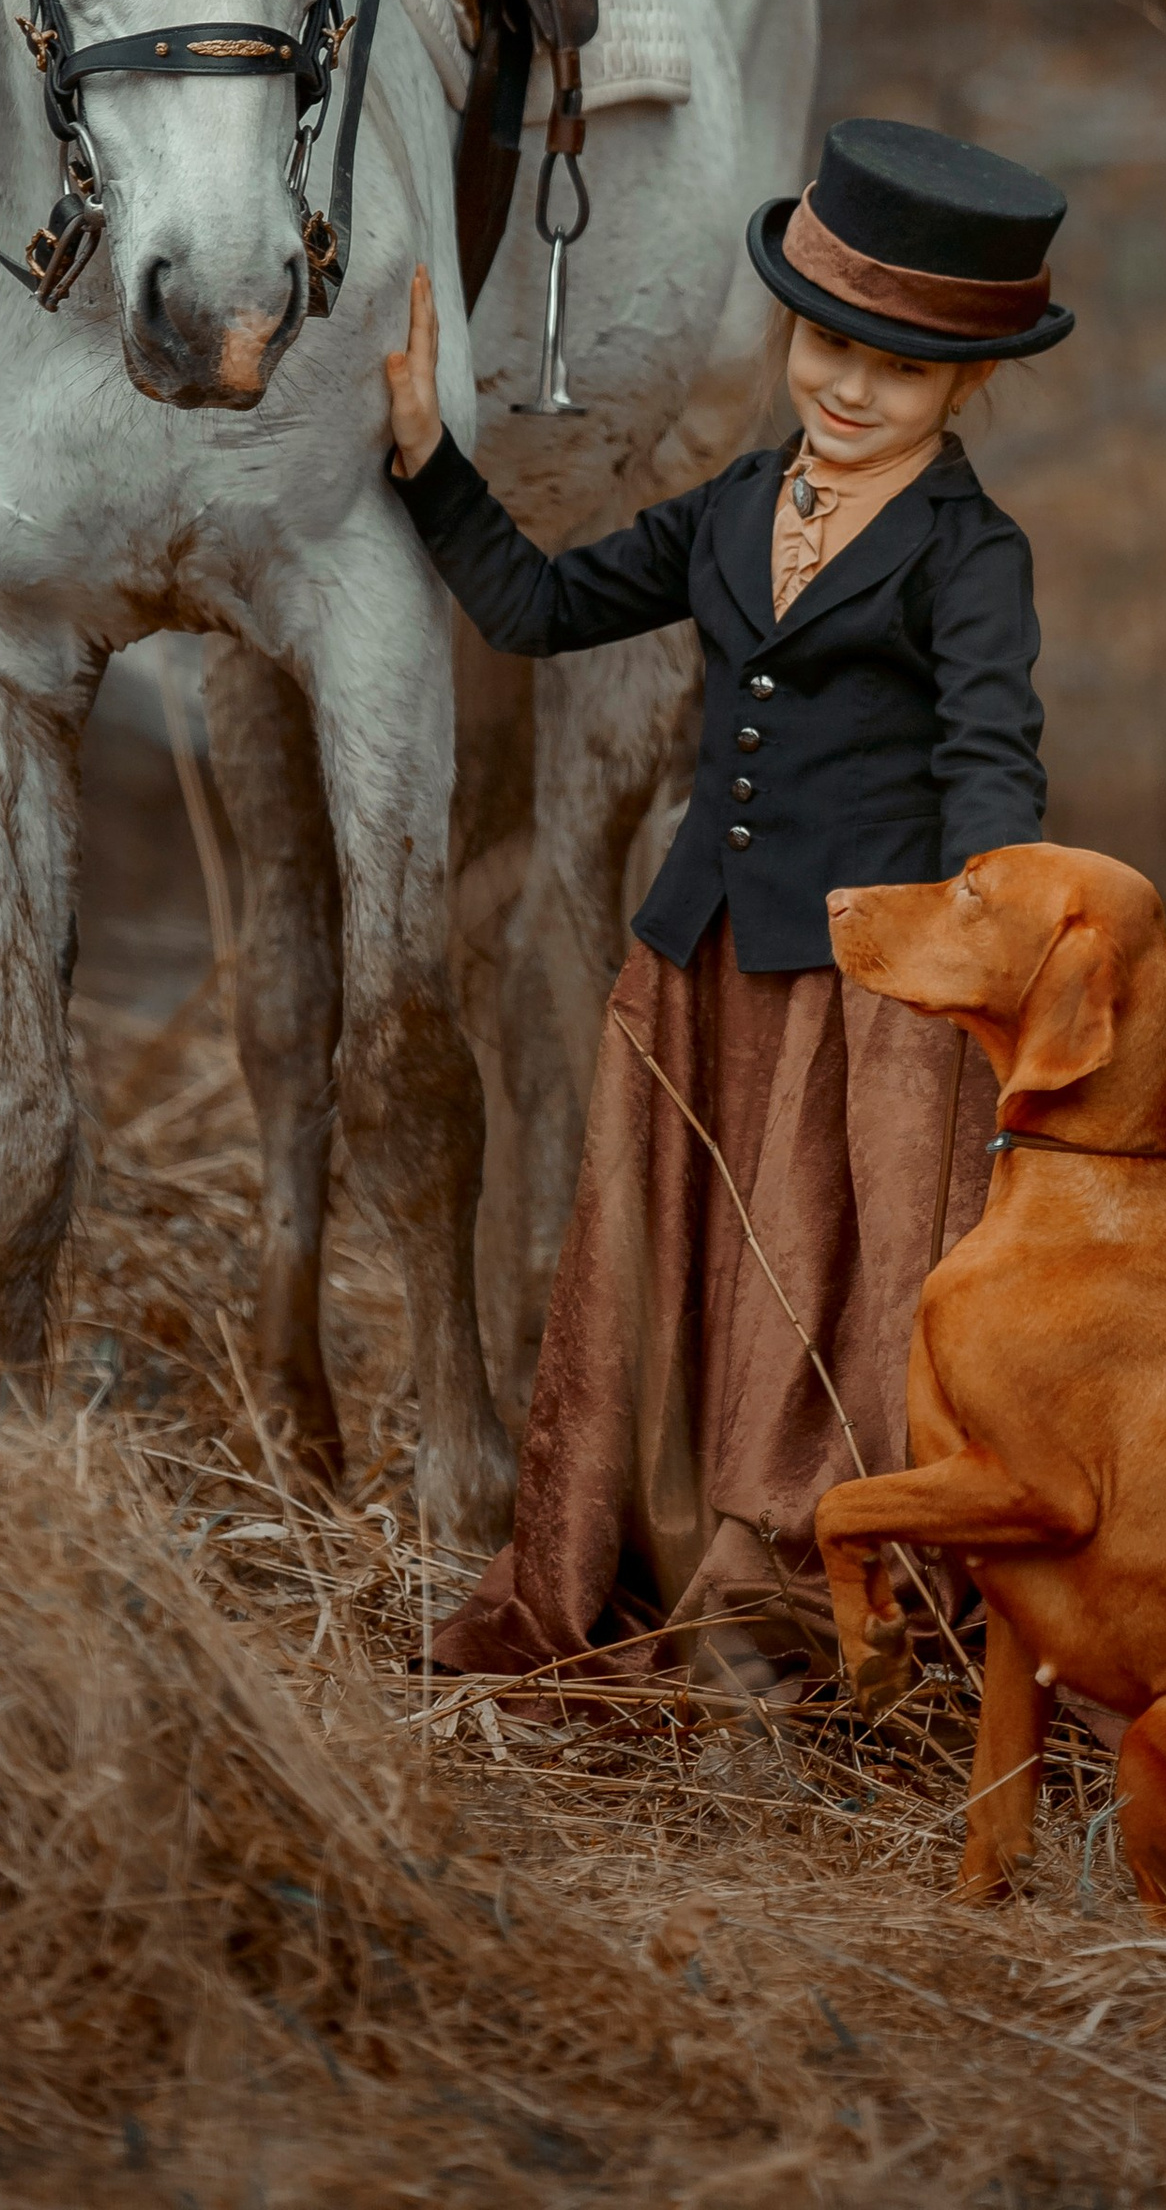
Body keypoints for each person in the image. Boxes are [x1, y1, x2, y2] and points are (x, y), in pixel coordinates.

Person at [382, 114, 1074, 1694]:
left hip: (869, 996)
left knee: (829, 1289)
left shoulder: (973, 556)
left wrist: (994, 949)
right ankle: (660, 1550)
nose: (847, 385)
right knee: (672, 1267)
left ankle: (808, 1603)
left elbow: (991, 762)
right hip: (697, 955)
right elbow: (540, 606)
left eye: (894, 371)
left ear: (967, 388)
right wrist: (427, 454)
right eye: (825, 341)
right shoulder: (733, 501)